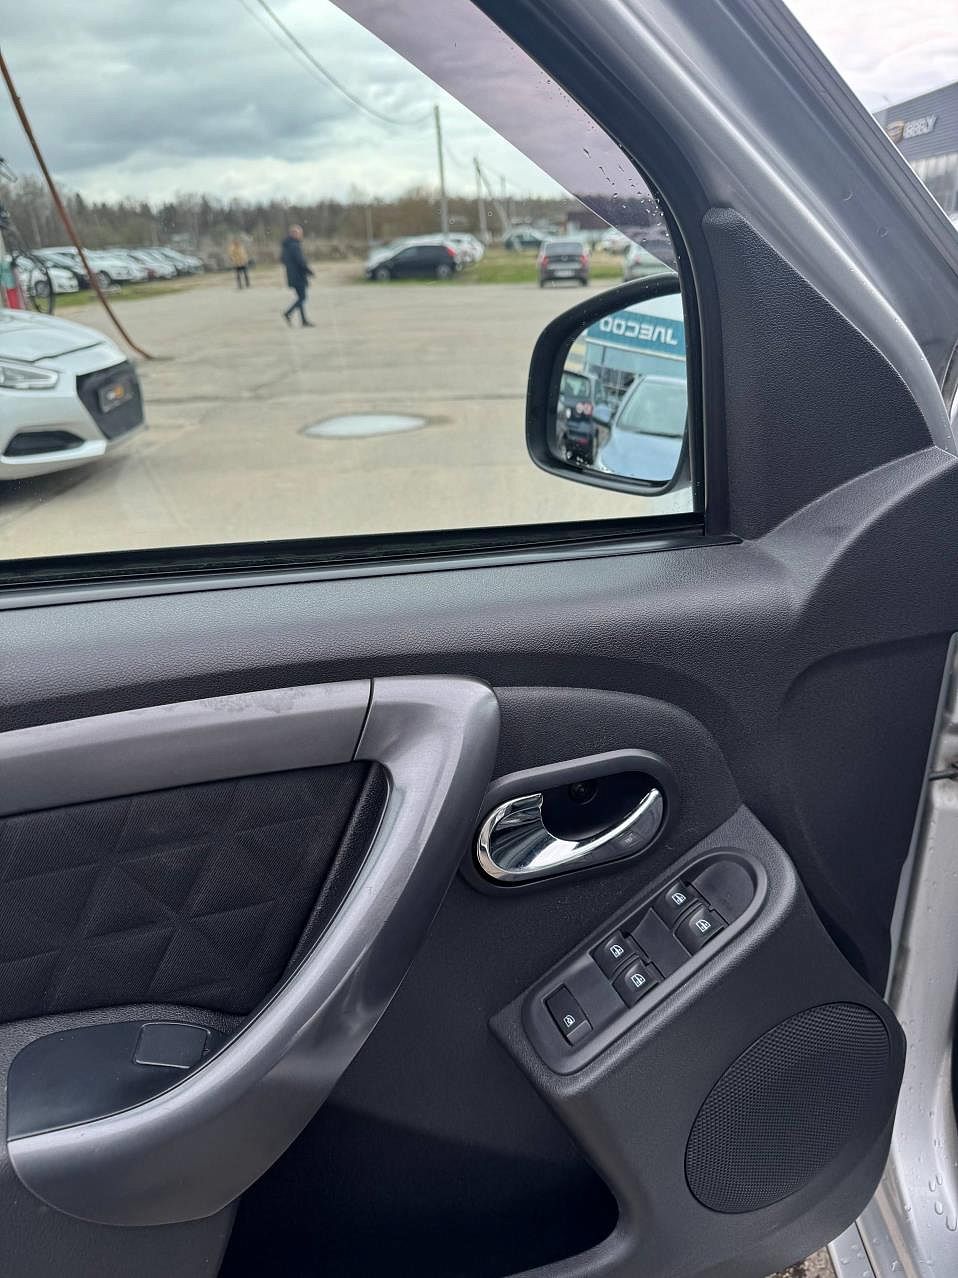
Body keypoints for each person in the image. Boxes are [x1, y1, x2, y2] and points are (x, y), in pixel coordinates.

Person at [280, 225, 314, 327]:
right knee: (302, 298)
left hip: (292, 275)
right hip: (298, 276)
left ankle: (303, 321)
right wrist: (308, 271)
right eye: (300, 234)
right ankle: (288, 313)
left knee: (300, 298)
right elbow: (300, 261)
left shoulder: (286, 246)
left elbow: (282, 260)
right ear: (294, 234)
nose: (301, 236)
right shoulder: (294, 245)